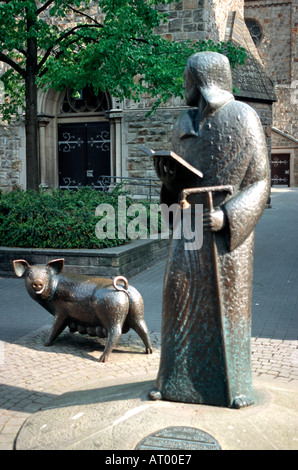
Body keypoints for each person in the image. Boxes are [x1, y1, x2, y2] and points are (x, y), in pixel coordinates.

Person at [150, 52, 270, 408]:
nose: (184, 84)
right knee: (177, 297)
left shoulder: (244, 116)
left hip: (224, 235)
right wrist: (168, 182)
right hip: (188, 225)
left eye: (187, 76)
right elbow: (177, 183)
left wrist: (228, 217)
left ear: (203, 79)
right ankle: (172, 380)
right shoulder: (183, 124)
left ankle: (233, 387)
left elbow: (261, 182)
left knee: (226, 308)